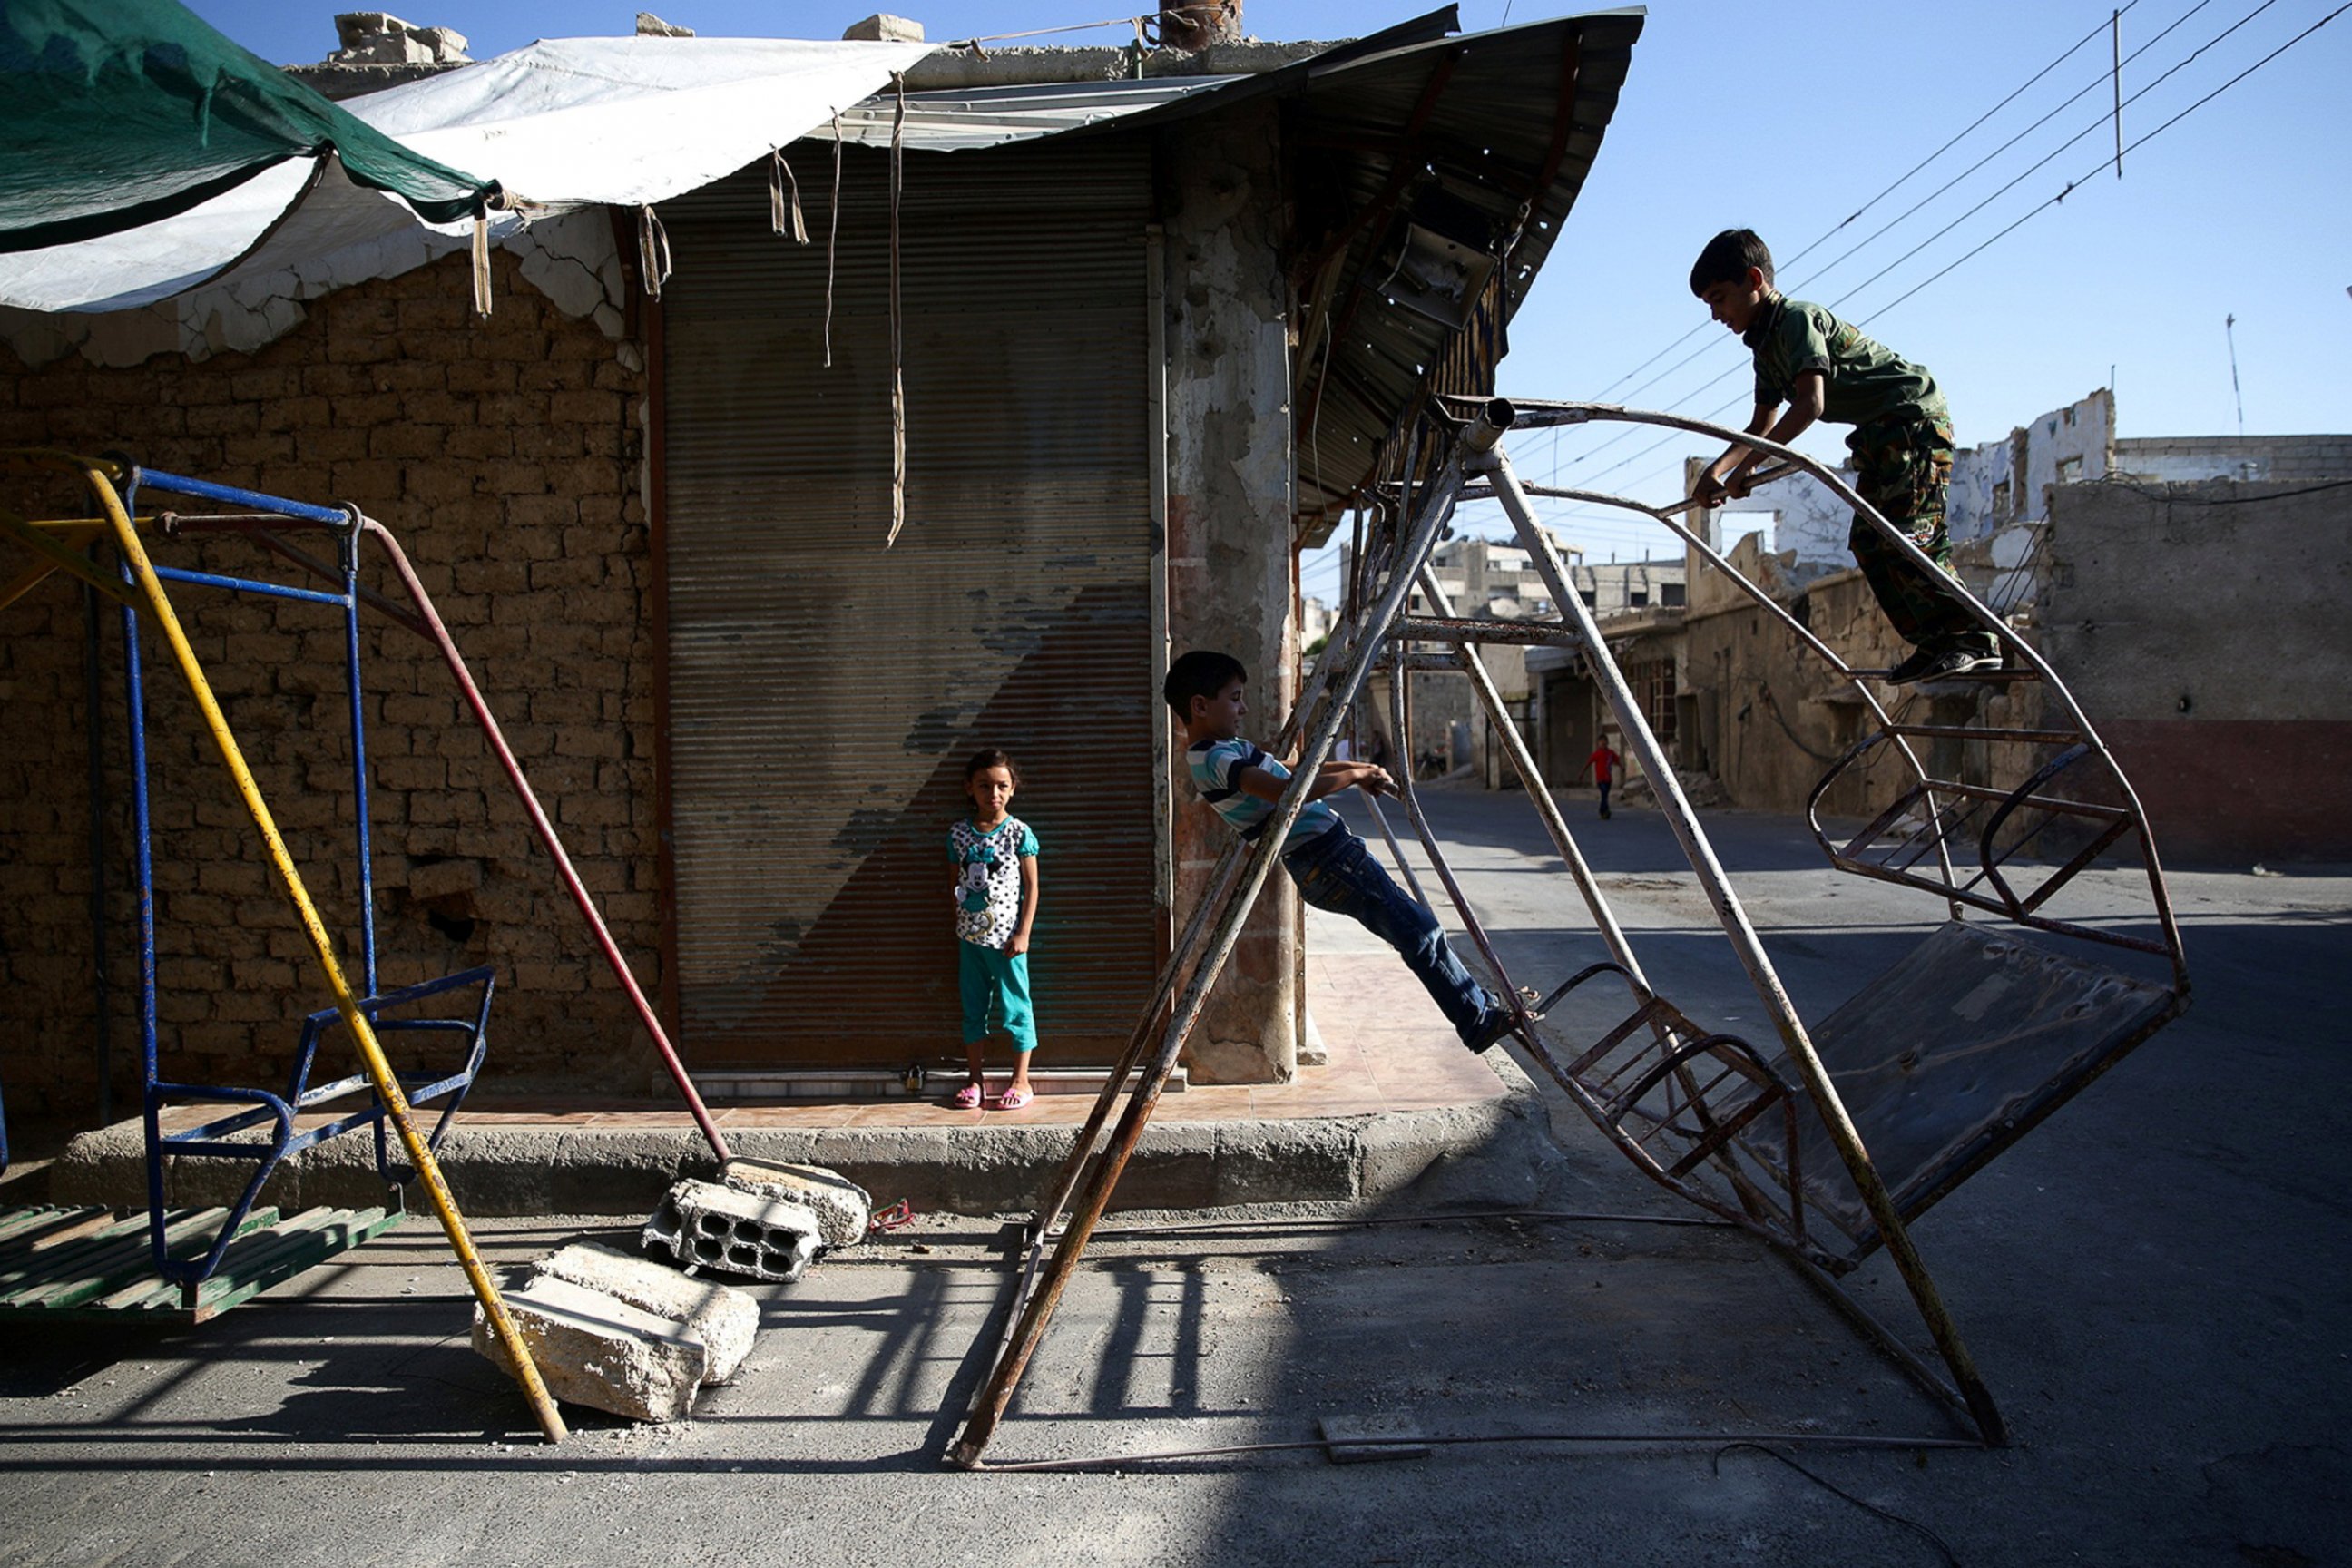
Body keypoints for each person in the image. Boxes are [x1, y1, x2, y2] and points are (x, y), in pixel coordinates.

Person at [1687, 228, 1999, 685]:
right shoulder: (1764, 349)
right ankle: (1937, 642)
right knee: (1870, 543)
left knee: (1910, 533)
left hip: (1912, 420)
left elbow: (1809, 405)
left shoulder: (1796, 320)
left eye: (1720, 298)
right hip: (1877, 434)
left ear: (1754, 279)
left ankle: (1974, 638)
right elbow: (1761, 427)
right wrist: (1718, 471)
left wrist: (1749, 467)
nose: (1716, 315)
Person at [1162, 650, 1516, 1054]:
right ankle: (1476, 1021)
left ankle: (1478, 1008)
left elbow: (1293, 772)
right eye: (1235, 697)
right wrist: (1352, 776)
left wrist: (1358, 768)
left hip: (1331, 858)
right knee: (1418, 932)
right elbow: (1286, 793)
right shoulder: (1215, 758)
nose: (1243, 708)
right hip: (1328, 860)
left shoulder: (1227, 749)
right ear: (1201, 706)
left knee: (1419, 929)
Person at [948, 748, 1039, 1110]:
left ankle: (1022, 1080)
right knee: (973, 1008)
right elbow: (953, 885)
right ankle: (975, 1080)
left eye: (1002, 785)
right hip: (969, 940)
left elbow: (1032, 886)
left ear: (1013, 788)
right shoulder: (958, 835)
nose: (994, 794)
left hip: (1007, 942)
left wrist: (1024, 932)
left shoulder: (1019, 833)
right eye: (984, 786)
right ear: (970, 788)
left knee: (1016, 1007)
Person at [1579, 739, 1622, 819]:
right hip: (1600, 779)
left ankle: (1603, 810)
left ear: (1607, 743)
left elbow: (1617, 761)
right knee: (1604, 793)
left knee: (1605, 795)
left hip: (1608, 779)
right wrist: (1582, 773)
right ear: (1598, 744)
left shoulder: (1610, 753)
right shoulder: (1597, 754)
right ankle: (1605, 811)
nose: (1603, 744)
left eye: (1605, 742)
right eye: (1601, 743)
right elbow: (1588, 763)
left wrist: (1621, 767)